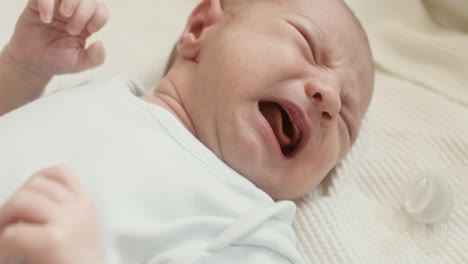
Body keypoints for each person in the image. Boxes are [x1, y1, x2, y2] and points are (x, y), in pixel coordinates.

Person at [0, 0, 374, 263]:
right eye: (308, 46)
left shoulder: (253, 230)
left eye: (346, 122)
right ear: (201, 28)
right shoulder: (105, 94)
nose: (330, 101)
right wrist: (23, 68)